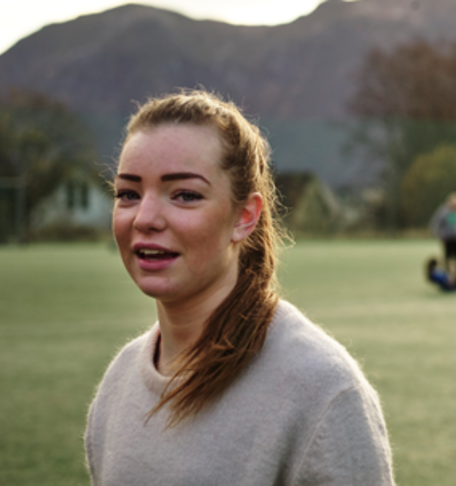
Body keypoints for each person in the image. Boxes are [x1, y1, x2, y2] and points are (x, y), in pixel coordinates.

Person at [88, 90, 393, 484]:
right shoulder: (119, 383)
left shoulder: (321, 390)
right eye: (128, 194)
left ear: (244, 217)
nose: (144, 218)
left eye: (184, 195)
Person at [431, 192, 456, 271]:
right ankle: (447, 276)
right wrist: (437, 233)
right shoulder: (443, 211)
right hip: (447, 237)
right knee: (447, 257)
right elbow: (437, 222)